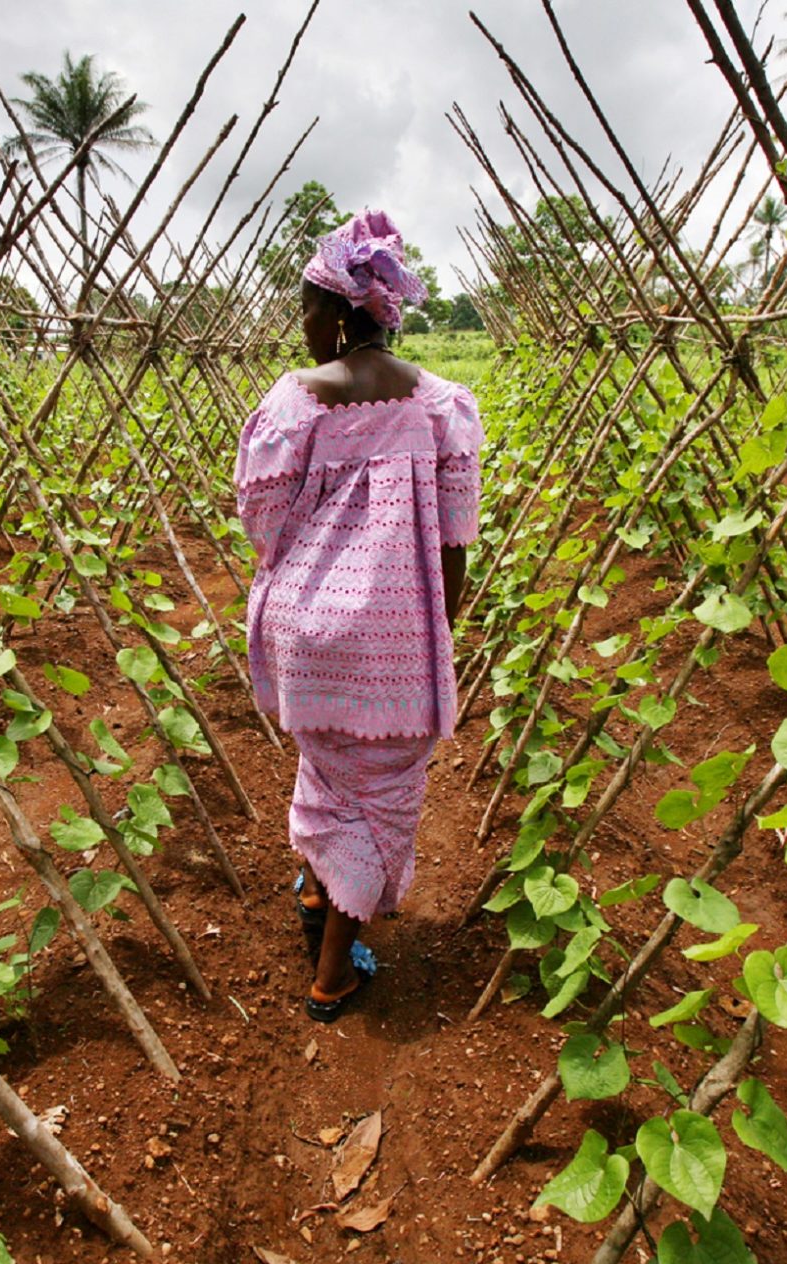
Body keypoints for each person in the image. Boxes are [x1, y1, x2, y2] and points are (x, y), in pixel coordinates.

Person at [233, 209, 482, 1022]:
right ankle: (334, 974)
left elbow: (263, 523)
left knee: (330, 776)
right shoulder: (444, 409)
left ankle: (317, 896)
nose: (301, 327)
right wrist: (435, 634)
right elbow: (453, 544)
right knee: (380, 802)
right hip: (396, 651)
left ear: (340, 313)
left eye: (306, 309)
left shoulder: (295, 402)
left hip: (308, 641)